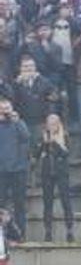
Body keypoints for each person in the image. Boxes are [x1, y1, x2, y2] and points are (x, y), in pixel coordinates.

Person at [35, 115, 74, 243]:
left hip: (62, 173)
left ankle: (69, 230)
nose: (52, 126)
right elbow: (36, 154)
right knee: (47, 203)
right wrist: (44, 143)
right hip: (47, 173)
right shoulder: (42, 137)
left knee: (66, 201)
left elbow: (66, 154)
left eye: (54, 123)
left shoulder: (65, 136)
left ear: (59, 124)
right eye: (49, 123)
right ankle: (48, 231)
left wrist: (56, 142)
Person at [0, 99, 30, 238]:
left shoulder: (19, 123)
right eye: (2, 108)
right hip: (1, 171)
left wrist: (16, 121)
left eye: (7, 108)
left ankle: (20, 233)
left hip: (18, 170)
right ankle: (2, 235)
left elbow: (26, 137)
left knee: (20, 204)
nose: (5, 111)